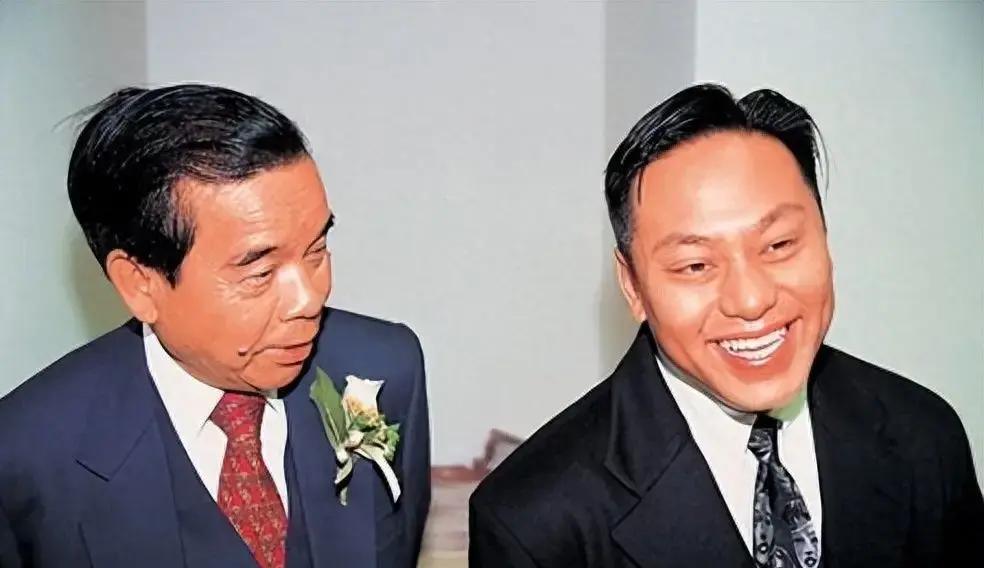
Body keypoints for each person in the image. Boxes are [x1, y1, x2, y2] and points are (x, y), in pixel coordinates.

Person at [469, 83, 983, 567]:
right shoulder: (535, 523)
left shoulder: (923, 436)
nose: (751, 300)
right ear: (633, 286)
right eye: (696, 265)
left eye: (779, 245)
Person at [0, 84, 430, 567]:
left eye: (316, 250)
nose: (309, 298)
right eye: (260, 271)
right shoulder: (26, 457)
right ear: (140, 284)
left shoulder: (384, 368)